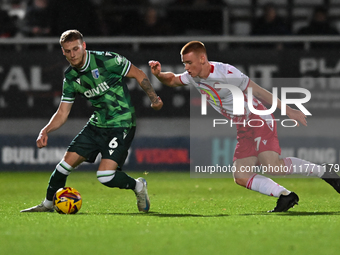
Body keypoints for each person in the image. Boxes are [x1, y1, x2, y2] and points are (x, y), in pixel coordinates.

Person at [149, 41, 340, 212]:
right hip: (243, 127)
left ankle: (325, 172)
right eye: (185, 64)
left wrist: (288, 110)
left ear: (202, 58)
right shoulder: (194, 75)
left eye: (189, 63)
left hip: (258, 118)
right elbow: (172, 79)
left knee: (273, 167)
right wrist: (158, 75)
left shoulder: (226, 73)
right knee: (241, 175)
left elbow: (258, 91)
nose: (186, 67)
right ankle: (285, 196)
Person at [21, 29, 163, 213]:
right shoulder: (71, 77)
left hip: (121, 123)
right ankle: (48, 204)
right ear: (63, 51)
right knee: (63, 166)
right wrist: (45, 130)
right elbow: (63, 112)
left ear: (84, 46)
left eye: (75, 49)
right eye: (67, 51)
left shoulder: (107, 60)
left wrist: (155, 99)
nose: (72, 54)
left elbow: (139, 74)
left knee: (105, 176)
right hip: (96, 124)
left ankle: (138, 186)